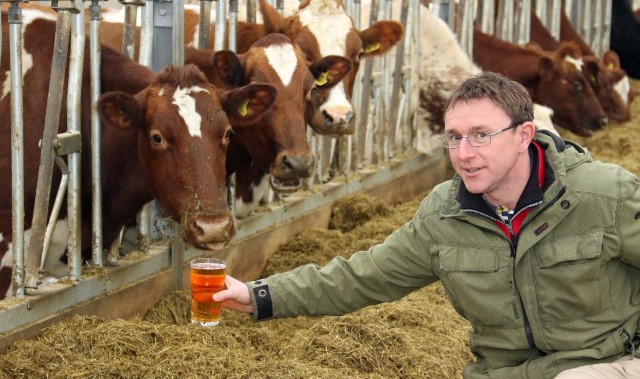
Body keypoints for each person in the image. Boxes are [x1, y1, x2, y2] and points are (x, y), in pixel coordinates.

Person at [214, 71, 640, 378]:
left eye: (480, 135)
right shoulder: (445, 214)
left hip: (604, 366)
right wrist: (257, 295)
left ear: (525, 135)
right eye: (454, 137)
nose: (464, 153)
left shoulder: (604, 195)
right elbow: (361, 277)